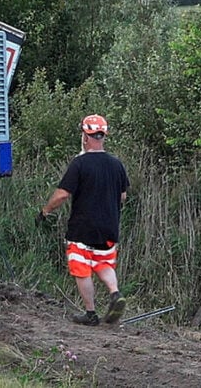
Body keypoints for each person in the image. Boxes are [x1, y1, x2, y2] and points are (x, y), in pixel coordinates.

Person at [38, 114, 129, 326]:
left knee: (81, 267)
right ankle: (115, 293)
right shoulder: (117, 164)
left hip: (82, 226)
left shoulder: (79, 164)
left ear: (86, 137)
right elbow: (123, 196)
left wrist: (45, 211)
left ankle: (90, 313)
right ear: (103, 136)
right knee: (103, 262)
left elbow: (61, 195)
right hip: (109, 226)